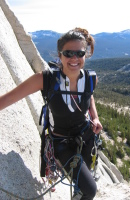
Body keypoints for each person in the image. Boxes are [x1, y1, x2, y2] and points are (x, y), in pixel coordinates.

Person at [0, 27, 103, 200]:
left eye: (79, 53)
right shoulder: (46, 79)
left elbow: (89, 96)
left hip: (85, 138)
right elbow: (8, 99)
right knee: (90, 190)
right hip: (61, 143)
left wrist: (95, 117)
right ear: (60, 54)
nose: (74, 58)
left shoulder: (91, 79)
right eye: (68, 53)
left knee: (83, 182)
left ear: (85, 54)